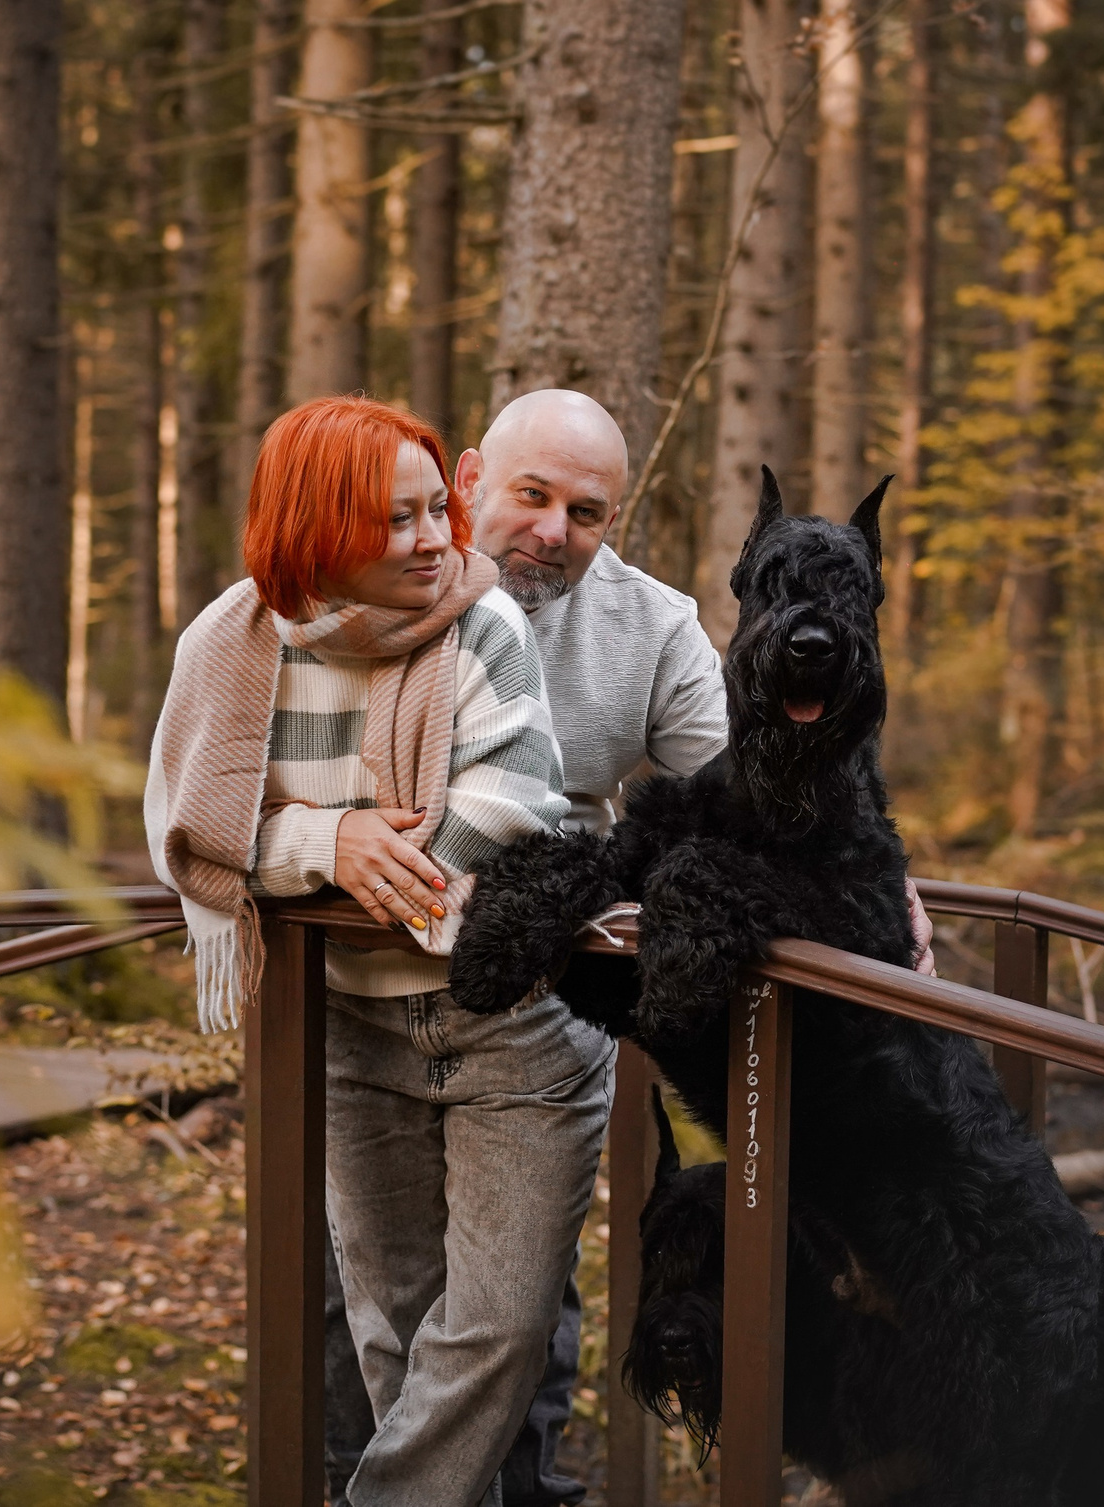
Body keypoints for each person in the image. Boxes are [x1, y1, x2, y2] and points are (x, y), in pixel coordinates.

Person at [145, 394, 600, 1507]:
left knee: (493, 1332)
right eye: (397, 520)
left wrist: (340, 860)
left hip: (516, 1030)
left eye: (436, 508)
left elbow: (509, 799)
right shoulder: (229, 643)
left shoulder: (482, 625)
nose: (438, 539)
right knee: (396, 1335)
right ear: (317, 528)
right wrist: (325, 840)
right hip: (348, 1028)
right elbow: (188, 824)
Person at [320, 388, 729, 1506]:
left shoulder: (653, 625)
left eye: (586, 512)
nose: (554, 529)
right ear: (465, 483)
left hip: (541, 1011)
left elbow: (742, 796)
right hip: (358, 1001)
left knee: (515, 1319)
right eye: (531, 495)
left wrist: (881, 876)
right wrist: (324, 832)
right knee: (375, 1316)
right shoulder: (362, 583)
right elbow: (242, 754)